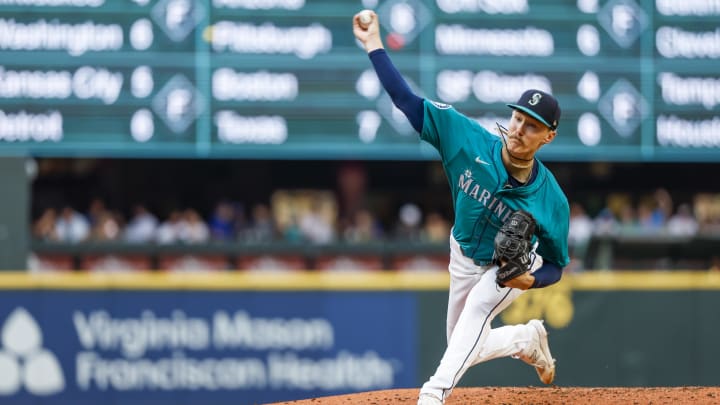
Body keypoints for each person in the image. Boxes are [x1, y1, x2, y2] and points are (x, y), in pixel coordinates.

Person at [353, 11, 570, 405]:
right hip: (463, 254)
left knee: (479, 310)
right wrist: (373, 44)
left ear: (549, 137)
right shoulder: (467, 142)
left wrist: (530, 281)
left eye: (533, 125)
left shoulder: (551, 199)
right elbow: (406, 100)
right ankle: (526, 338)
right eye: (518, 117)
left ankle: (433, 394)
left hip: (509, 268)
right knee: (464, 343)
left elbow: (557, 265)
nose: (520, 129)